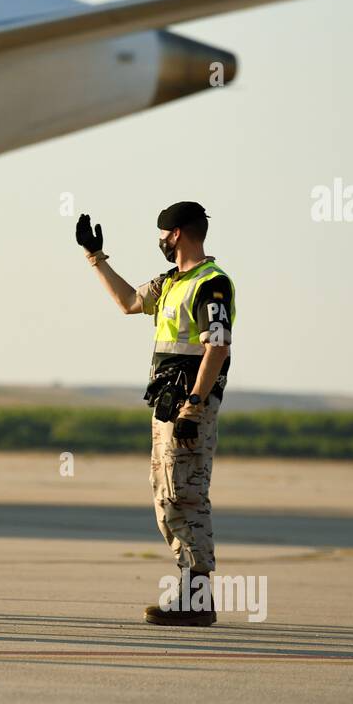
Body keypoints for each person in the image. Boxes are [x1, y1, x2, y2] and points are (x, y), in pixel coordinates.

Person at [77, 201, 235, 626]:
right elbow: (129, 302)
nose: (161, 242)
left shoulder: (211, 283)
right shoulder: (171, 282)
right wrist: (96, 258)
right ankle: (190, 592)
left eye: (163, 234)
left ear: (177, 233)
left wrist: (195, 404)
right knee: (167, 495)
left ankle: (197, 599)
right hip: (168, 405)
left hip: (189, 407)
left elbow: (217, 347)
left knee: (185, 495)